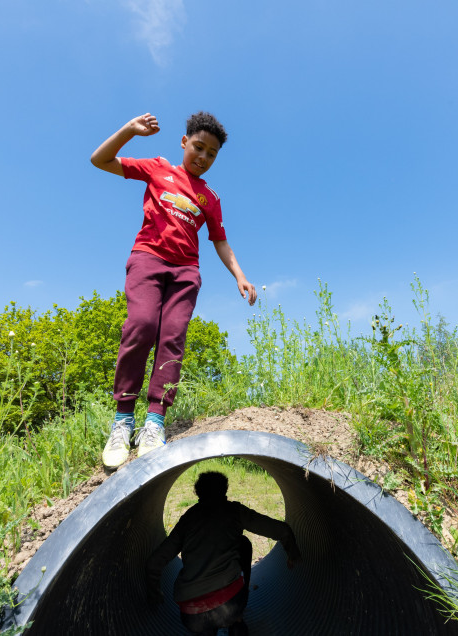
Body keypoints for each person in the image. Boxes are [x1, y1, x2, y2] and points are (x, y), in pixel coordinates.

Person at [90, 112, 257, 469]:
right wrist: (128, 131)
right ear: (184, 142)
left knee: (172, 339)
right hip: (148, 259)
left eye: (212, 154)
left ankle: (154, 421)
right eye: (199, 147)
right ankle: (122, 421)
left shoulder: (210, 197)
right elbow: (99, 160)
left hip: (186, 271)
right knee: (141, 326)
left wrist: (240, 276)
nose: (203, 157)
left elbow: (220, 241)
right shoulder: (157, 168)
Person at [146, 471, 301, 636]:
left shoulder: (188, 519)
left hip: (192, 616)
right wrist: (293, 555)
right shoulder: (234, 511)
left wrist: (155, 593)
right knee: (244, 544)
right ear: (225, 490)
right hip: (230, 606)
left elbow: (154, 563)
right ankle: (237, 623)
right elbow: (282, 530)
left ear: (197, 492)